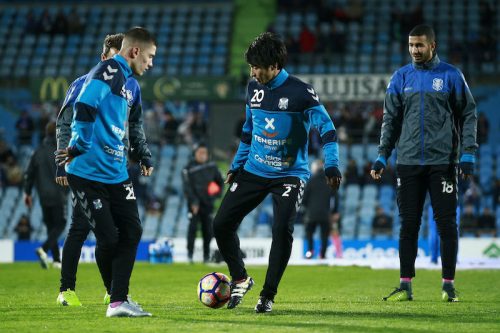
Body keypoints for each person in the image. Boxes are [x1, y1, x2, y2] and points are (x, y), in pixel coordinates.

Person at [213, 32, 342, 313]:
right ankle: (240, 278)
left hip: (289, 174)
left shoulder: (301, 93)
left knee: (281, 228)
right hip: (254, 170)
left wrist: (331, 164)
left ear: (274, 65)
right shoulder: (253, 89)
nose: (253, 72)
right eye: (250, 67)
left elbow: (328, 129)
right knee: (220, 224)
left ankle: (267, 295)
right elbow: (248, 133)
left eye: (257, 67)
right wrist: (236, 166)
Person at [370, 25, 477, 302]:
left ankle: (448, 285)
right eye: (411, 45)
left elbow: (468, 114)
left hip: (442, 162)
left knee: (446, 224)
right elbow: (390, 121)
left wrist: (468, 153)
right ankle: (405, 285)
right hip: (407, 162)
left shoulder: (451, 76)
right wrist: (383, 155)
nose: (414, 50)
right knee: (408, 224)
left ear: (432, 45)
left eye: (419, 45)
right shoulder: (400, 78)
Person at [55, 27, 156, 317]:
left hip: (115, 170)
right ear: (133, 51)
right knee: (97, 234)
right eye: (149, 57)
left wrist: (142, 154)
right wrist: (71, 152)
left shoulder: (132, 86)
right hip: (87, 169)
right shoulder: (105, 72)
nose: (150, 63)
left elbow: (134, 125)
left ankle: (117, 298)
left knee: (131, 230)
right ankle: (73, 290)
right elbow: (78, 111)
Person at [23, 121, 68, 269]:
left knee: (50, 227)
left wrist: (27, 193)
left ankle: (56, 260)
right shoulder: (60, 151)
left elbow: (29, 175)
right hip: (58, 194)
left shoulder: (37, 152)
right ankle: (44, 249)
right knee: (60, 223)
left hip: (43, 196)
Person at [182, 143, 224, 263]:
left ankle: (206, 255)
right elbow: (187, 187)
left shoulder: (212, 166)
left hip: (208, 204)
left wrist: (215, 196)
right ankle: (189, 254)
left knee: (207, 230)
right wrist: (194, 202)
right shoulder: (188, 168)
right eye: (200, 153)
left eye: (204, 153)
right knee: (192, 229)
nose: (202, 155)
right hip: (194, 204)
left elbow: (220, 182)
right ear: (195, 154)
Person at [302, 159, 339, 259]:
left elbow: (304, 198)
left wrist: (307, 207)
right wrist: (335, 211)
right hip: (325, 214)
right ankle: (322, 255)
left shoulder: (310, 180)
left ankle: (310, 252)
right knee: (324, 235)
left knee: (309, 234)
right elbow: (335, 198)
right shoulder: (330, 180)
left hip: (311, 214)